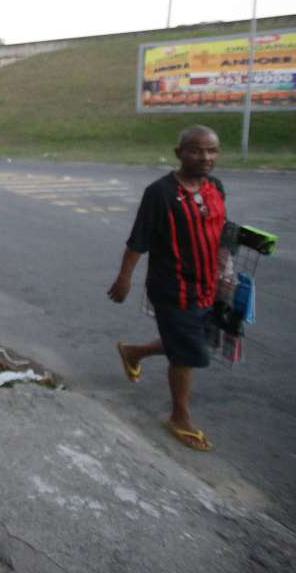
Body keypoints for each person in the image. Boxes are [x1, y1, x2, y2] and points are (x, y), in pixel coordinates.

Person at [107, 125, 227, 452]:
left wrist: (228, 264)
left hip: (207, 284)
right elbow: (138, 241)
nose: (205, 157)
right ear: (179, 153)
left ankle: (133, 352)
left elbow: (219, 230)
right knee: (188, 353)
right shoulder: (159, 193)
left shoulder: (215, 187)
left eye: (212, 150)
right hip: (173, 287)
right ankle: (180, 416)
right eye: (196, 150)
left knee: (189, 340)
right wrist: (124, 278)